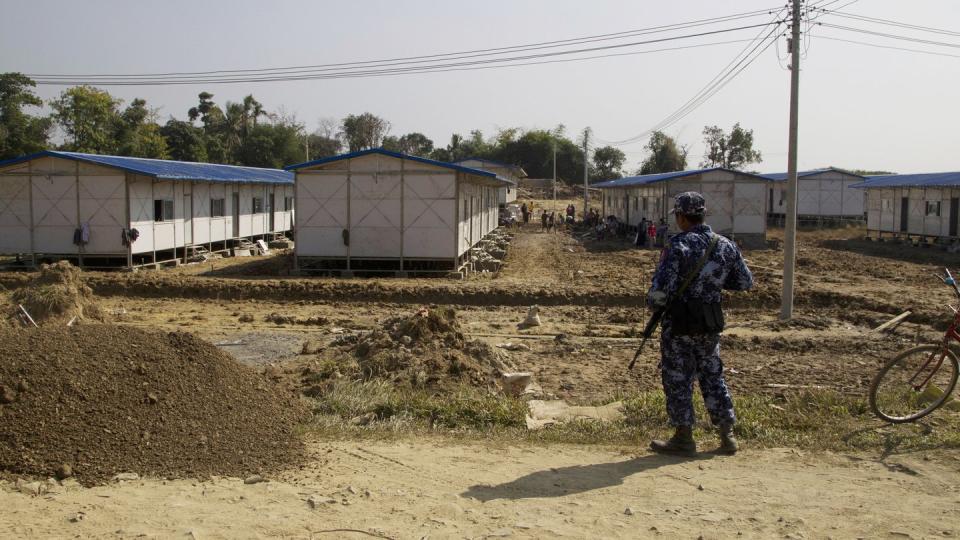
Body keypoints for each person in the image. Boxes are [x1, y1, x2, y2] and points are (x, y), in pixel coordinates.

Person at [647, 192, 753, 456]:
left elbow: (662, 290)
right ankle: (727, 435)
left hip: (680, 323)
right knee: (712, 375)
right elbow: (744, 282)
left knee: (678, 377)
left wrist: (653, 303)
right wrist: (712, 283)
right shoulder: (726, 245)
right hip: (709, 321)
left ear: (682, 217)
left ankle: (684, 437)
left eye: (678, 217)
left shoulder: (677, 245)